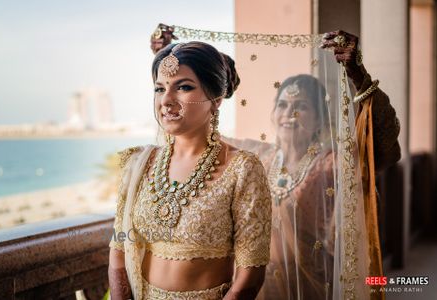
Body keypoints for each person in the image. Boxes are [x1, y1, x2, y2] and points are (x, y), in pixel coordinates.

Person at [151, 25, 400, 300]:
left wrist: (357, 73)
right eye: (282, 105)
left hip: (313, 285)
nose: (289, 114)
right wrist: (168, 58)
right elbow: (194, 127)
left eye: (301, 106)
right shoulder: (256, 156)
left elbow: (384, 148)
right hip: (253, 285)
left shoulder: (330, 163)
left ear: (319, 119)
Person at [108, 40, 272, 300]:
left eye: (183, 87)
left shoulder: (242, 169)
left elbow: (250, 273)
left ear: (216, 98)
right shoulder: (138, 163)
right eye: (159, 89)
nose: (167, 100)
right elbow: (119, 249)